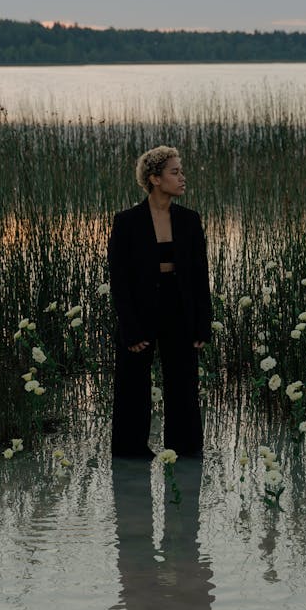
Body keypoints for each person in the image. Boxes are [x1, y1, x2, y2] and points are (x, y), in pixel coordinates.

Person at [108, 146, 212, 458]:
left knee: (183, 384)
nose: (183, 178)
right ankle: (131, 454)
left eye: (181, 171)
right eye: (175, 172)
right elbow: (120, 280)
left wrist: (201, 325)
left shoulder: (189, 220)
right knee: (132, 385)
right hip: (140, 310)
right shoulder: (127, 221)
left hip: (179, 308)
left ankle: (184, 453)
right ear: (154, 178)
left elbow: (199, 277)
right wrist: (130, 328)